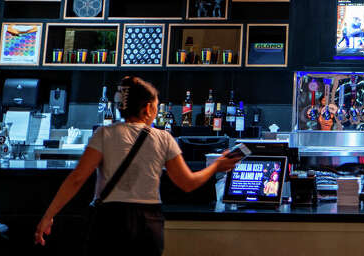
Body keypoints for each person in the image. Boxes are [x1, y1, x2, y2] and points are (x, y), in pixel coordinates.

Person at [34, 75, 241, 254]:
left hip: (109, 220)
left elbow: (77, 179)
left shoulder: (104, 134)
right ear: (148, 107)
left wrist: (48, 216)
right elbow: (187, 183)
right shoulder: (163, 138)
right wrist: (217, 166)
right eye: (157, 105)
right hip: (147, 222)